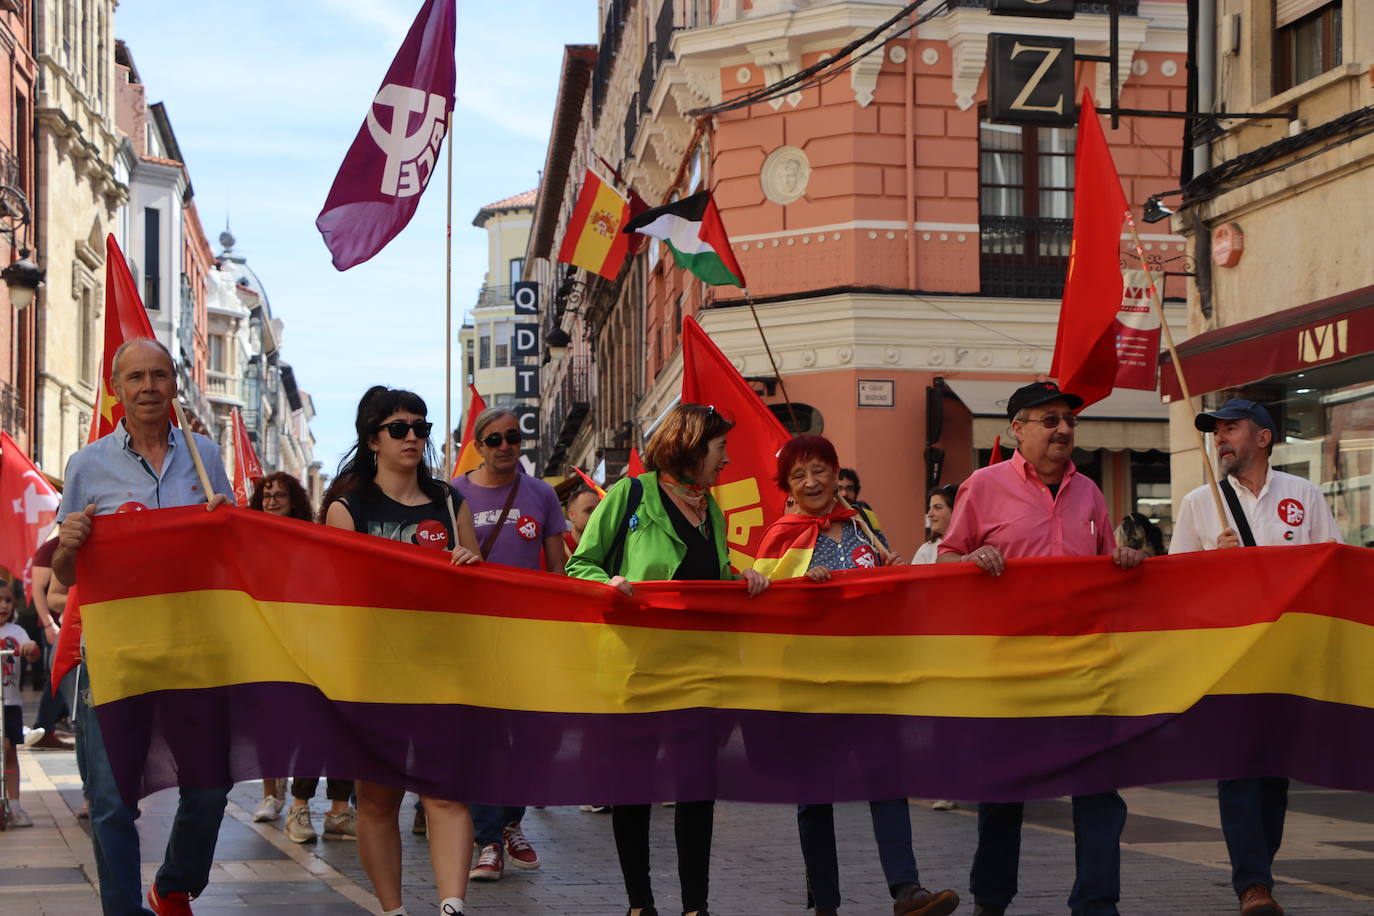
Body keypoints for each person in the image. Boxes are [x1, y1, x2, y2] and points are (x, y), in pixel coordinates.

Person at [937, 380, 1144, 916]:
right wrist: (970, 561)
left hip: (1082, 666)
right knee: (1003, 794)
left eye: (1069, 420)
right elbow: (943, 562)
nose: (1062, 429)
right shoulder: (982, 486)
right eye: (1048, 420)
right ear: (1017, 430)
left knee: (1098, 789)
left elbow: (1106, 570)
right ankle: (992, 900)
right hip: (1010, 666)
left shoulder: (1091, 493)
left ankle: (1097, 903)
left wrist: (1122, 561)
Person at [51, 337, 236, 915]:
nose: (149, 387)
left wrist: (226, 527)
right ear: (116, 390)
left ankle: (175, 881)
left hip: (194, 653)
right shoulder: (86, 467)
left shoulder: (206, 458)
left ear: (175, 384)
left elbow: (234, 551)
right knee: (110, 802)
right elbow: (64, 571)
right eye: (136, 378)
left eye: (160, 375)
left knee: (209, 789)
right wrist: (69, 545)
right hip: (118, 658)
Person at [567, 403, 770, 916]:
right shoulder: (630, 494)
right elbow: (580, 565)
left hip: (700, 668)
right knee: (633, 787)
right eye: (721, 447)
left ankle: (695, 907)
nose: (726, 459)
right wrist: (608, 583)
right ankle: (641, 904)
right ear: (693, 446)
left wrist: (741, 580)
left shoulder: (713, 509)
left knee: (697, 788)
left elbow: (707, 581)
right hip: (636, 668)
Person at [755, 435, 958, 916]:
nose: (812, 482)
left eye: (820, 470)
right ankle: (825, 901)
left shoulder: (864, 525)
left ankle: (906, 891)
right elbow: (762, 609)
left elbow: (890, 591)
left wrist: (895, 572)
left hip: (870, 677)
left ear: (835, 472)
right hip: (809, 685)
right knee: (815, 797)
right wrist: (800, 589)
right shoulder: (779, 536)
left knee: (886, 781)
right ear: (787, 487)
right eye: (799, 475)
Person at [1169, 398, 1340, 916]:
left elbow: (1329, 568)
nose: (1220, 438)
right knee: (1237, 769)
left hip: (1286, 658)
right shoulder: (1201, 503)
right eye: (1214, 431)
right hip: (1230, 661)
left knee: (1273, 776)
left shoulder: (1303, 495)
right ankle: (1252, 885)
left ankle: (1258, 867)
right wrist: (1211, 569)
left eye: (1231, 428)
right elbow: (1174, 589)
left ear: (1263, 438)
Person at [321, 386, 482, 916]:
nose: (413, 436)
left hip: (442, 668)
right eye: (399, 428)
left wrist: (467, 567)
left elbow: (479, 583)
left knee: (447, 793)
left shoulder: (450, 501)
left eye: (421, 427)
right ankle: (392, 910)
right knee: (377, 800)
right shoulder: (348, 508)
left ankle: (452, 907)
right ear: (373, 440)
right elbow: (339, 597)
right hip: (373, 673)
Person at [453, 407, 568, 882]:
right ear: (478, 446)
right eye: (495, 440)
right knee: (484, 736)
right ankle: (487, 840)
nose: (506, 447)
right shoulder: (454, 493)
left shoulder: (541, 494)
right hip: (475, 634)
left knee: (529, 737)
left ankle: (509, 822)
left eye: (513, 439)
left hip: (531, 634)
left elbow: (559, 570)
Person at [247, 471, 359, 843]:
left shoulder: (311, 540)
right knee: (277, 726)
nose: (273, 501)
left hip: (315, 642)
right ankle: (286, 801)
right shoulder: (249, 540)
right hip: (268, 643)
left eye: (280, 495)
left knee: (333, 722)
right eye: (267, 495)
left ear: (295, 499)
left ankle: (337, 810)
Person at [24, 536, 75, 751]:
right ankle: (44, 728)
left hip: (74, 621)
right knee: (58, 675)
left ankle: (48, 727)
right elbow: (38, 589)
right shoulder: (50, 549)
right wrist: (48, 624)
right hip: (58, 625)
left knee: (63, 676)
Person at [1, 582, 40, 827]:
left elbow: (33, 653)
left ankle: (14, 806)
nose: (3, 605)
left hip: (10, 703)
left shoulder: (16, 632)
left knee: (9, 751)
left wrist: (31, 648)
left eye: (7, 600)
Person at [912, 484, 958, 566]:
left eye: (937, 507)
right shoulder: (926, 551)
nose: (930, 514)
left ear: (956, 510)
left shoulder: (975, 546)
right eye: (930, 508)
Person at [562, 484, 600, 556]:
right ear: (571, 515)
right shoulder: (556, 551)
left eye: (599, 510)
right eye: (588, 511)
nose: (595, 515)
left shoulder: (608, 547)